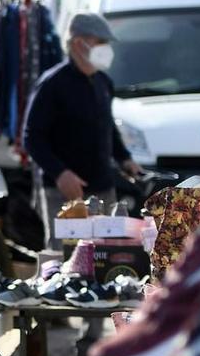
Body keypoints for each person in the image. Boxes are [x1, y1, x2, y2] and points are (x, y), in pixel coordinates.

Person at [22, 11, 142, 223]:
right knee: (66, 253)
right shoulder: (52, 84)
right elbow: (32, 137)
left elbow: (107, 126)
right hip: (65, 192)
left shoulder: (103, 82)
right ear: (78, 43)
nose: (106, 48)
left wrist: (124, 158)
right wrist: (61, 173)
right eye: (101, 41)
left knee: (107, 252)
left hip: (103, 189)